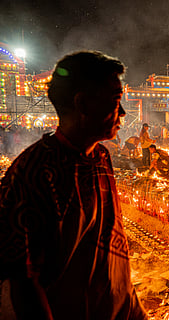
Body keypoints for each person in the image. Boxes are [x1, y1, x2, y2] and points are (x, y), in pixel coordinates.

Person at [0, 51, 147, 319]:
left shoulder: (101, 157)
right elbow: (25, 282)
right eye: (116, 101)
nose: (123, 113)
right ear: (83, 105)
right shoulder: (31, 175)